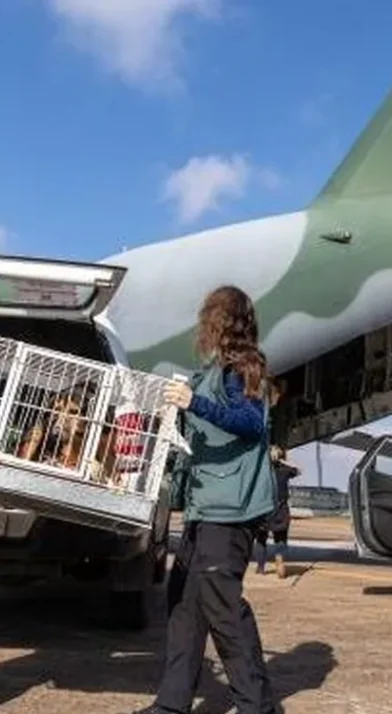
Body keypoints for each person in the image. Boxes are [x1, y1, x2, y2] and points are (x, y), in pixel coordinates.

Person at [132, 285, 280, 714]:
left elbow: (251, 423)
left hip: (229, 512)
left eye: (207, 316)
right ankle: (172, 704)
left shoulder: (244, 367)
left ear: (220, 321)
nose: (202, 325)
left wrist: (195, 402)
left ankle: (257, 706)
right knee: (184, 608)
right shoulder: (214, 371)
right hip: (204, 509)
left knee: (225, 610)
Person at [256, 443, 299, 578]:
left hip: (264, 509)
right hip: (281, 509)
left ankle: (261, 567)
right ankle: (279, 558)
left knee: (261, 539)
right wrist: (283, 461)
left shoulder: (262, 471)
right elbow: (298, 470)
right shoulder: (285, 470)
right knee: (280, 538)